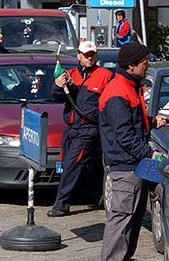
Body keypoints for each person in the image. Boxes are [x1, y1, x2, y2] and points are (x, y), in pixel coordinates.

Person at [99, 42, 166, 260]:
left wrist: (151, 121)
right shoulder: (118, 92)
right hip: (126, 169)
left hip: (132, 167)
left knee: (130, 224)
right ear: (131, 66)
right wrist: (149, 154)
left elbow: (130, 122)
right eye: (145, 63)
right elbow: (124, 135)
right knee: (121, 224)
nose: (147, 66)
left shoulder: (128, 86)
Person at [47, 41, 113, 217]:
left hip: (88, 129)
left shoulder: (105, 75)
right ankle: (96, 195)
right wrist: (58, 85)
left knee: (72, 166)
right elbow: (57, 97)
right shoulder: (71, 75)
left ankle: (61, 204)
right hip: (71, 128)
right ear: (79, 56)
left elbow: (111, 103)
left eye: (92, 54)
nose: (90, 57)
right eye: (86, 55)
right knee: (72, 165)